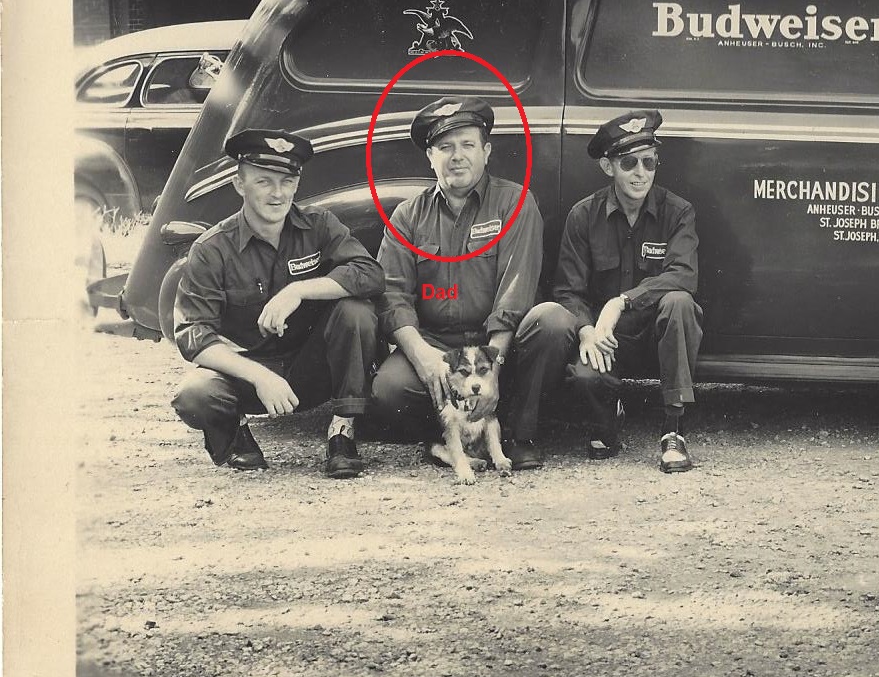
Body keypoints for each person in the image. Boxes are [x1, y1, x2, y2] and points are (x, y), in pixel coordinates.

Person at [365, 97, 572, 469]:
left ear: (486, 151)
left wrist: (492, 369)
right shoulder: (407, 216)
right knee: (389, 390)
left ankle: (519, 434)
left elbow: (516, 290)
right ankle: (449, 436)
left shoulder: (515, 203)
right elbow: (392, 297)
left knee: (552, 321)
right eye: (445, 147)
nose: (456, 156)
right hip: (440, 346)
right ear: (430, 156)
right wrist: (422, 356)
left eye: (467, 145)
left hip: (499, 345)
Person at [169, 130, 382, 478]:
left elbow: (369, 273)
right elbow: (192, 334)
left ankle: (342, 431)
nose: (278, 193)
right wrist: (260, 376)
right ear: (240, 184)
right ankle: (233, 434)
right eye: (264, 181)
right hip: (247, 376)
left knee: (356, 310)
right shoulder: (212, 249)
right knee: (194, 394)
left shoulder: (319, 226)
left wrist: (298, 291)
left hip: (310, 370)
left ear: (297, 183)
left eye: (287, 180)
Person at [552, 110, 702, 473]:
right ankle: (609, 410)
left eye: (649, 162)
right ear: (608, 167)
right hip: (607, 340)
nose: (640, 173)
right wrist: (587, 330)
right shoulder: (583, 216)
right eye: (629, 162)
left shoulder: (678, 212)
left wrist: (622, 302)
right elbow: (567, 290)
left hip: (658, 336)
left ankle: (674, 428)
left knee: (680, 303)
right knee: (585, 380)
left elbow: (683, 274)